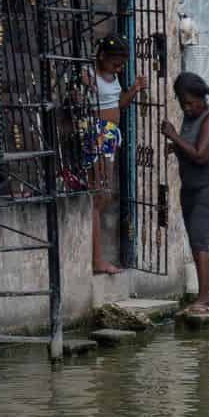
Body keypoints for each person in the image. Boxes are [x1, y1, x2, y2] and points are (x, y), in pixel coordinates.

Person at [163, 72, 209, 315]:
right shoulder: (190, 116)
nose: (187, 108)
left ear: (202, 98)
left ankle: (203, 300)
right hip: (192, 186)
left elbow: (202, 155)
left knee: (199, 238)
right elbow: (190, 147)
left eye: (191, 103)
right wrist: (175, 148)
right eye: (183, 103)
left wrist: (174, 137)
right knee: (200, 236)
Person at [86, 36, 141, 275]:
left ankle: (99, 258)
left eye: (121, 65)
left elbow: (118, 105)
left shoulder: (113, 76)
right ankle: (97, 260)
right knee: (100, 195)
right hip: (98, 133)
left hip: (110, 134)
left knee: (104, 195)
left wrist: (135, 89)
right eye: (115, 64)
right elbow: (83, 103)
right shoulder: (88, 74)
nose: (119, 69)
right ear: (101, 57)